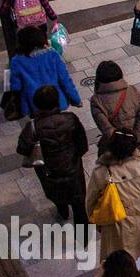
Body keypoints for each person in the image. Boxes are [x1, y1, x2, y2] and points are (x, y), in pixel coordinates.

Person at [86, 127, 140, 277]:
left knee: (125, 259)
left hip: (118, 224)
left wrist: (97, 223)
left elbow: (90, 202)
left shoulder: (102, 172)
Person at [17, 84, 88, 225]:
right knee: (79, 206)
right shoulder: (71, 119)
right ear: (57, 101)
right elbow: (82, 145)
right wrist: (74, 157)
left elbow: (22, 149)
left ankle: (63, 213)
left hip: (48, 173)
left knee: (57, 197)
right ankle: (83, 239)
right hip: (73, 170)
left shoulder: (32, 127)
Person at [8, 24, 80, 119]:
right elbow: (65, 80)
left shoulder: (16, 61)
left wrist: (18, 107)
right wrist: (76, 99)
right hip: (56, 101)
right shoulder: (52, 55)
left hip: (33, 105)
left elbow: (16, 87)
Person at [89, 60, 140, 160]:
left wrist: (120, 145)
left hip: (113, 151)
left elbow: (106, 128)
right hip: (136, 146)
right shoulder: (133, 91)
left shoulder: (96, 101)